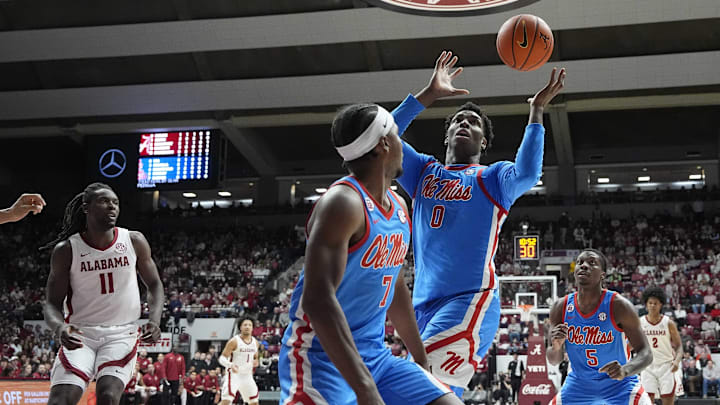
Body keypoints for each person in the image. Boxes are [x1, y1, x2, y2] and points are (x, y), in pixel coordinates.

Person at [390, 51, 566, 395]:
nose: (464, 124)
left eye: (473, 123)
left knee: (412, 387)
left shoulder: (492, 177)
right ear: (446, 135)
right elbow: (381, 138)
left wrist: (536, 111)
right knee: (437, 393)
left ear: (483, 142)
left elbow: (528, 172)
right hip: (423, 306)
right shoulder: (422, 170)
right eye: (458, 120)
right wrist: (427, 95)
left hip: (470, 301)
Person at [279, 100, 459, 405]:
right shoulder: (343, 203)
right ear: (385, 144)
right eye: (399, 136)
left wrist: (420, 357)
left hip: (376, 358)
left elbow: (396, 286)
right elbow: (317, 300)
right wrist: (365, 389)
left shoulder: (399, 206)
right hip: (321, 362)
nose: (404, 145)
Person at [42, 182, 164, 405]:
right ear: (86, 207)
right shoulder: (67, 249)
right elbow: (51, 303)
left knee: (107, 395)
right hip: (80, 333)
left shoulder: (133, 240)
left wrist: (155, 320)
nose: (112, 207)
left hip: (121, 333)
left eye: (115, 203)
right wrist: (59, 327)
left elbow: (154, 284)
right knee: (60, 400)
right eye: (104, 201)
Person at [546, 249, 653, 404]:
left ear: (602, 274)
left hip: (620, 385)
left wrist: (625, 370)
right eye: (580, 263)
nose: (583, 266)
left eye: (591, 263)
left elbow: (646, 353)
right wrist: (555, 347)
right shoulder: (560, 307)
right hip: (578, 385)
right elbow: (554, 360)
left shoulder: (619, 306)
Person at [639, 286, 683, 404]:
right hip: (648, 367)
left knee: (668, 401)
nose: (653, 306)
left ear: (661, 305)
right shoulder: (640, 322)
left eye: (656, 303)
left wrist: (677, 361)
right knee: (647, 402)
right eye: (650, 303)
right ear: (646, 304)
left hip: (666, 366)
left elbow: (679, 346)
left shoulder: (668, 323)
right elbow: (633, 344)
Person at [219, 318, 260, 405]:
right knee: (226, 401)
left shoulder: (255, 342)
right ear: (240, 327)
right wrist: (230, 365)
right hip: (234, 375)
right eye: (245, 325)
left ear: (252, 328)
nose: (247, 327)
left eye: (250, 325)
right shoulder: (234, 341)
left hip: (247, 376)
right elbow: (221, 358)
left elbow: (256, 357)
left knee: (254, 402)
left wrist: (256, 361)